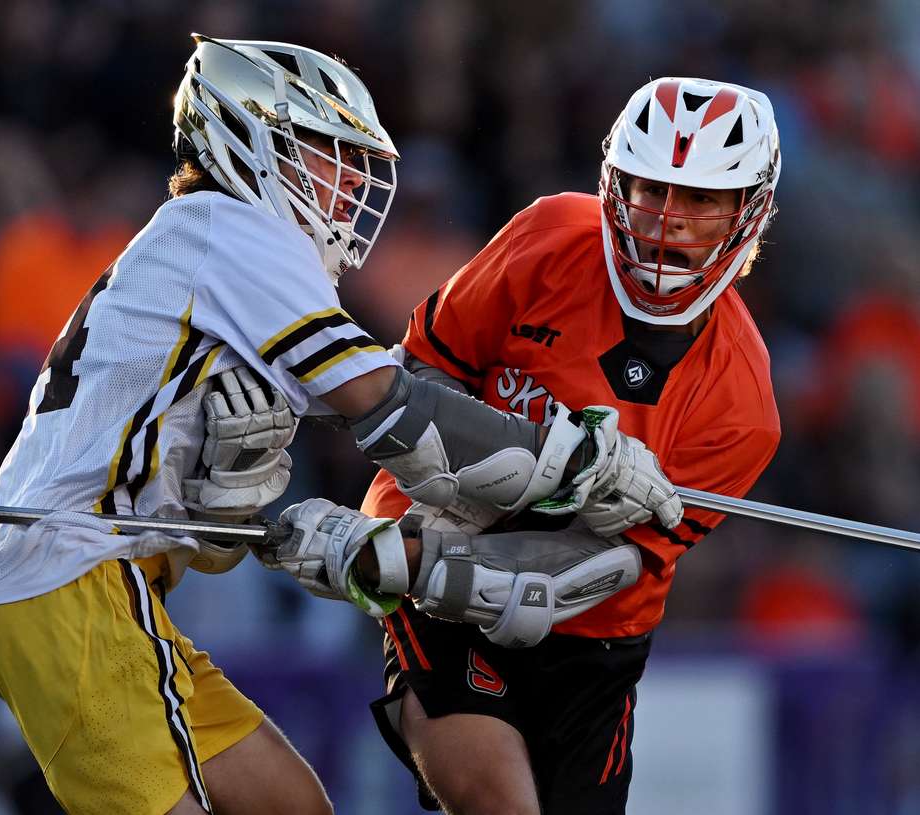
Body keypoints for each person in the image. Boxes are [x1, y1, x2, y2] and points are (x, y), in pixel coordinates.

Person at [0, 35, 678, 815]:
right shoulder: (232, 228)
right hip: (67, 580)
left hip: (105, 583)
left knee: (291, 803)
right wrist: (572, 459)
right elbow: (388, 402)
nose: (342, 183)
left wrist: (228, 501)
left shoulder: (201, 244)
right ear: (247, 134)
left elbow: (199, 539)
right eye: (322, 151)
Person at [256, 77, 783, 814]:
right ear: (613, 182)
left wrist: (425, 554)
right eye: (650, 190)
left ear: (746, 212)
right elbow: (416, 376)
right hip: (437, 541)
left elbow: (593, 565)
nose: (667, 221)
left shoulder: (742, 405)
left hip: (591, 636)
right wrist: (425, 531)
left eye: (700, 199)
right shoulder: (550, 236)